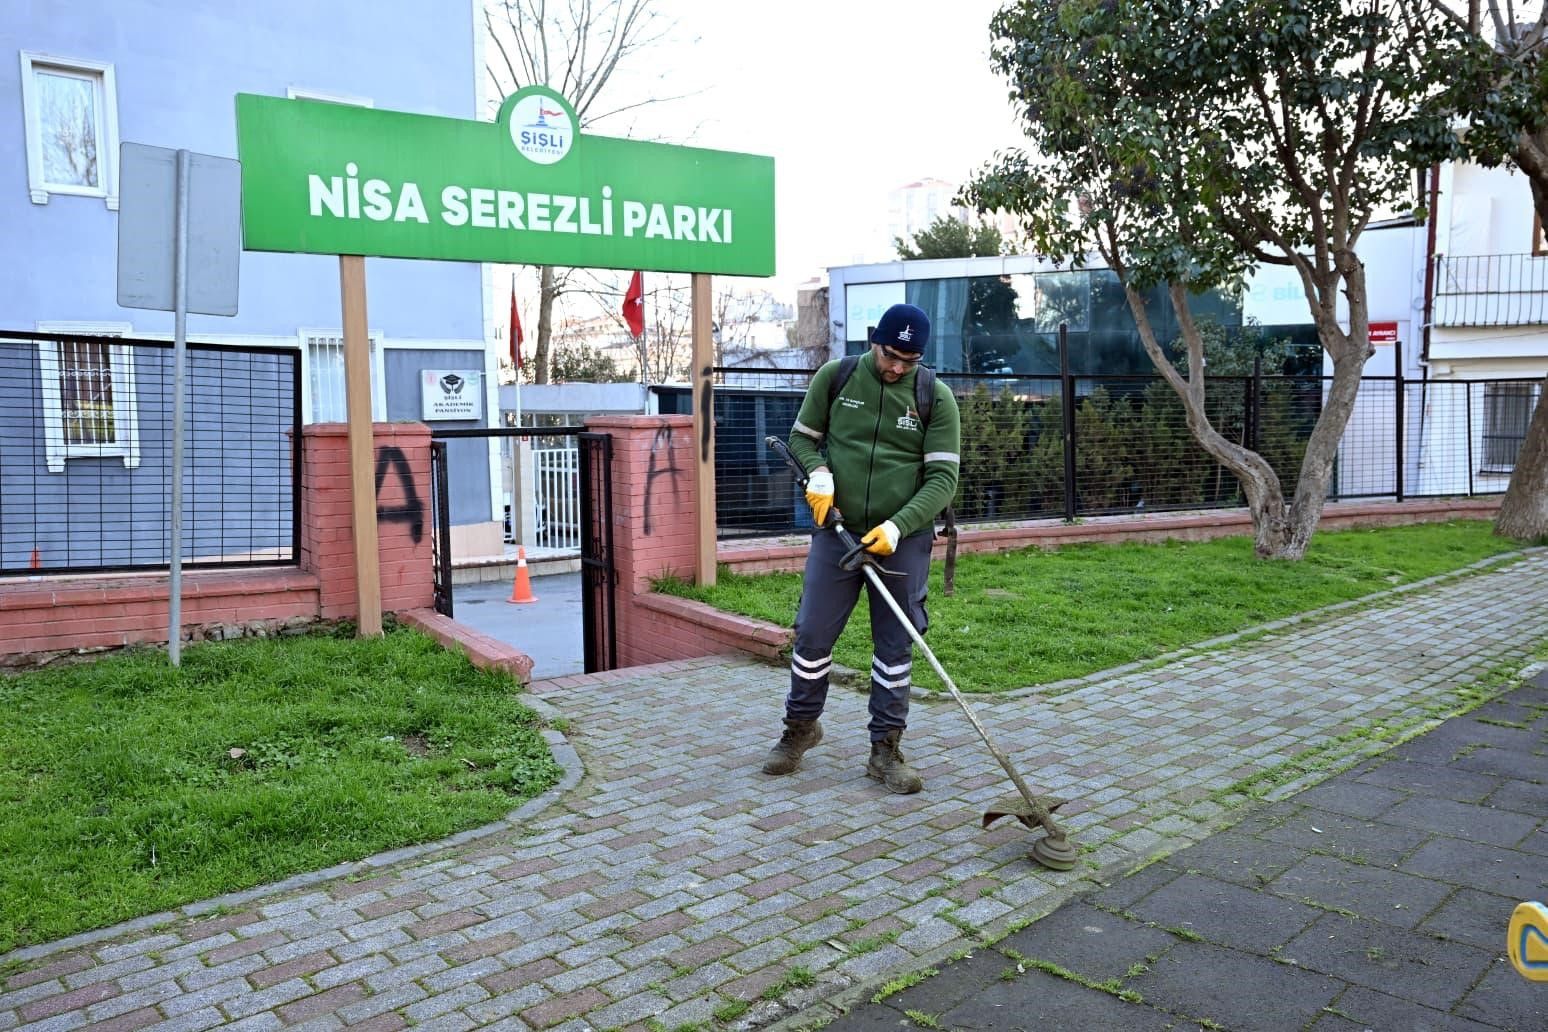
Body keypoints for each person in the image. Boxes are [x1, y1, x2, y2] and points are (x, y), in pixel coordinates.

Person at [762, 302, 961, 794]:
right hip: (837, 532)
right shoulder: (837, 377)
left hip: (902, 541)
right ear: (876, 342)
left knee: (895, 649)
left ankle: (885, 750)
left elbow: (943, 479)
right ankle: (800, 729)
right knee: (811, 637)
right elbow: (802, 440)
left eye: (908, 360)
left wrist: (899, 526)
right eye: (892, 355)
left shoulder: (934, 397)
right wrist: (821, 473)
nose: (897, 367)